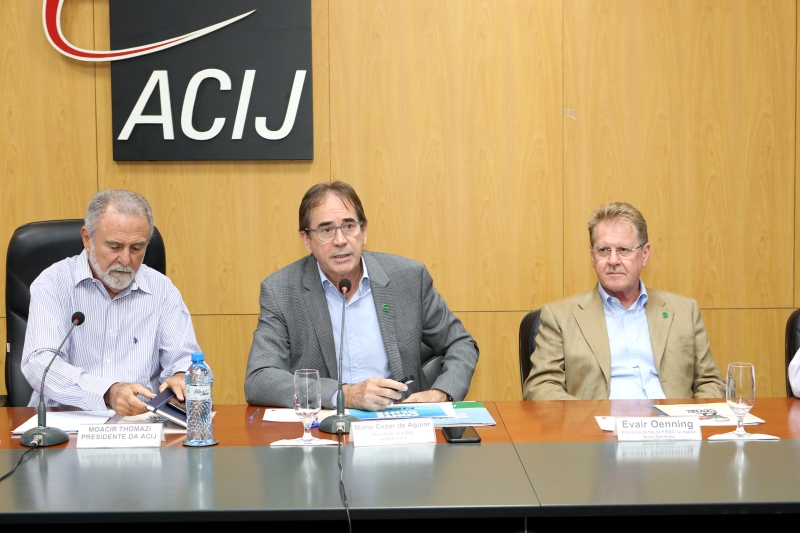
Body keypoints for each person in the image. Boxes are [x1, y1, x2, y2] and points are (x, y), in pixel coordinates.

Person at [245, 181, 479, 410]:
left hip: (401, 422)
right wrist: (344, 395)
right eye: (326, 230)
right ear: (307, 240)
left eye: (349, 226)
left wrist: (442, 393)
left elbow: (460, 344)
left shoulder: (408, 279)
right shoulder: (281, 291)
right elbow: (259, 379)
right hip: (326, 426)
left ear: (364, 232)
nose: (340, 241)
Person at [21, 190, 200, 416]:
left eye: (136, 248)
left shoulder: (162, 290)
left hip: (140, 423)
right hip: (65, 424)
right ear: (87, 239)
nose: (125, 259)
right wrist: (108, 392)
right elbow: (39, 365)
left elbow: (185, 360)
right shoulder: (53, 283)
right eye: (115, 247)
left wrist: (182, 377)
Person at [523, 202, 725, 400]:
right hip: (598, 421)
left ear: (645, 254)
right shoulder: (560, 317)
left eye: (623, 250)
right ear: (593, 257)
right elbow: (541, 387)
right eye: (603, 250)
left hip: (672, 420)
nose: (613, 260)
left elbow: (711, 383)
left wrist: (690, 416)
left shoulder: (684, 311)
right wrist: (587, 416)